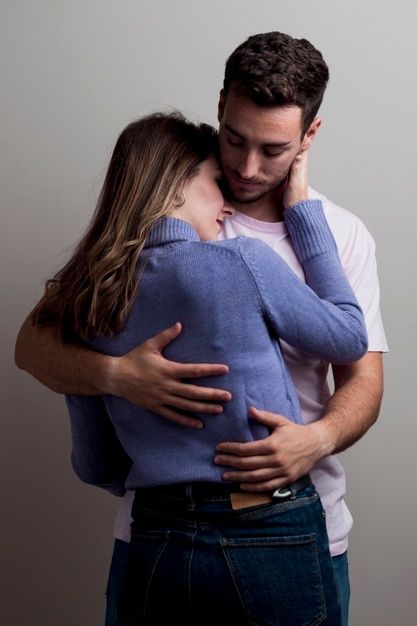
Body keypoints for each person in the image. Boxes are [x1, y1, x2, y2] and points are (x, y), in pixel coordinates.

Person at [14, 31, 388, 626]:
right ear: (219, 105)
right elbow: (32, 346)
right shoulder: (146, 228)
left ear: (309, 137)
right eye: (235, 141)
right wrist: (118, 375)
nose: (245, 167)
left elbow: (364, 377)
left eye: (272, 150)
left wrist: (313, 442)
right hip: (162, 533)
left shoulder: (342, 236)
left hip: (292, 516)